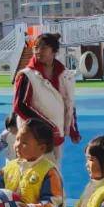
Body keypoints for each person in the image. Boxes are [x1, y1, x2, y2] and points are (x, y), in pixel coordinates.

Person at [13, 32, 79, 163]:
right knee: (31, 172)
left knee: (53, 171)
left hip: (56, 135)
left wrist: (72, 129)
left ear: (54, 51)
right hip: (33, 136)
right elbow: (19, 106)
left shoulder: (65, 75)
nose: (38, 51)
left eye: (43, 47)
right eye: (36, 47)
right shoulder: (27, 75)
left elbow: (69, 103)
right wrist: (47, 127)